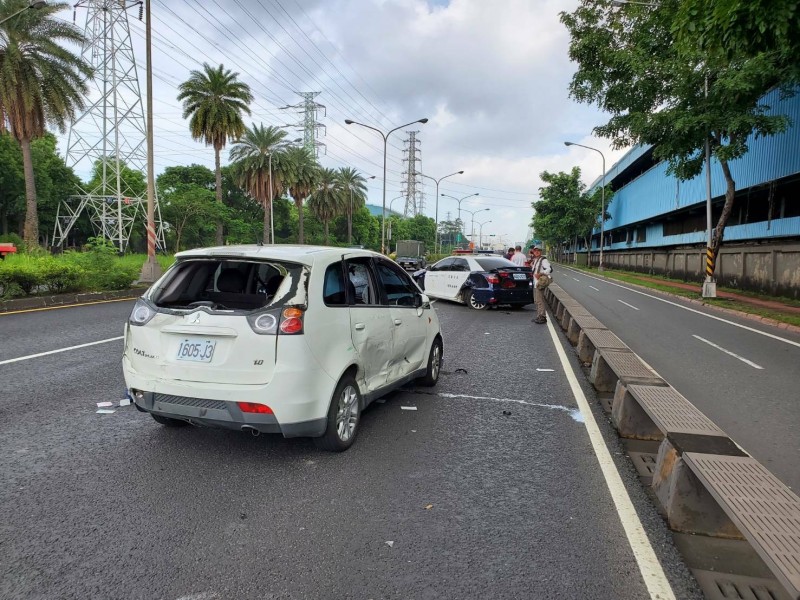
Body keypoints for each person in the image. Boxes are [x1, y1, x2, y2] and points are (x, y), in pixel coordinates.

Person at [529, 245, 552, 324]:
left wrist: (541, 273)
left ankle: (542, 317)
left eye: (538, 250)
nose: (537, 252)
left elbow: (549, 269)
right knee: (536, 300)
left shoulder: (543, 260)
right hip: (536, 283)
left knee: (540, 300)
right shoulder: (536, 260)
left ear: (541, 251)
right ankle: (539, 316)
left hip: (540, 282)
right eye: (535, 250)